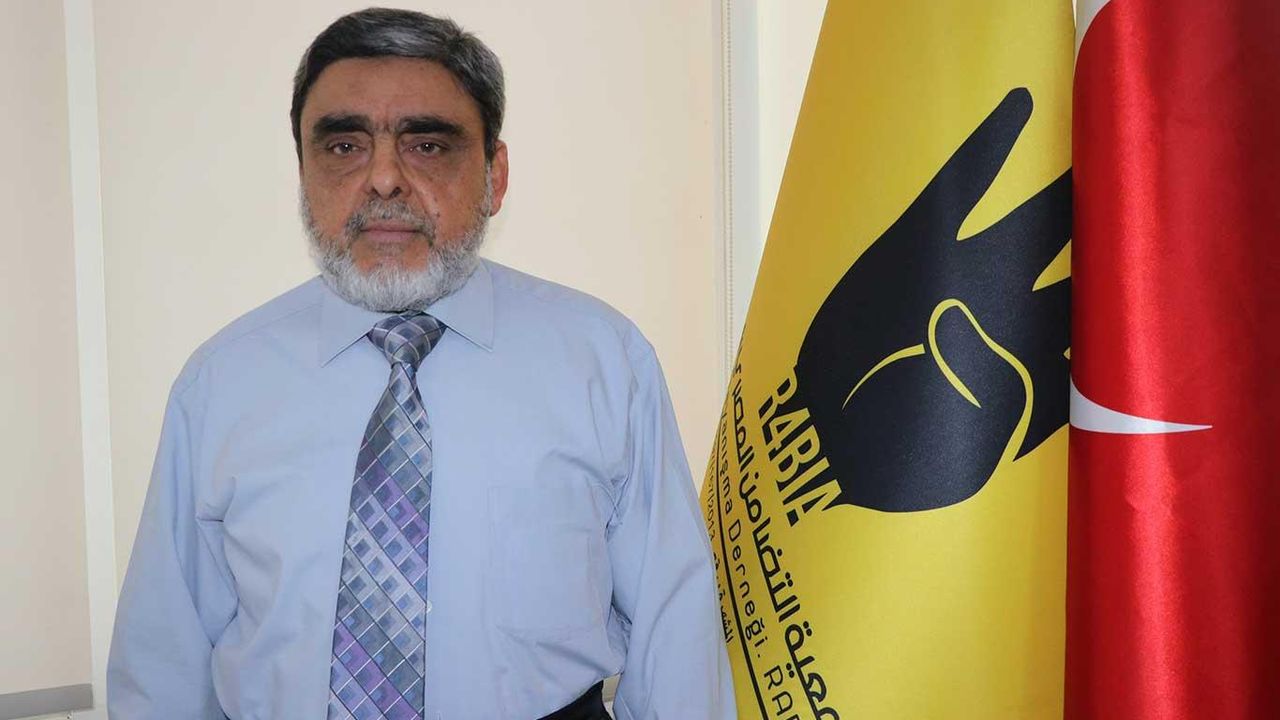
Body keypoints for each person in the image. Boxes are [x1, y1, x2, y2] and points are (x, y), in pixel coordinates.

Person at [106, 8, 735, 720]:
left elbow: (675, 640)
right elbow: (163, 665)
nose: (383, 179)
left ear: (495, 175)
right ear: (304, 174)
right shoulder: (219, 385)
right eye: (344, 145)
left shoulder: (605, 362)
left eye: (427, 145)